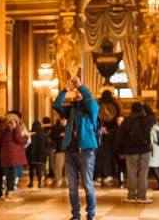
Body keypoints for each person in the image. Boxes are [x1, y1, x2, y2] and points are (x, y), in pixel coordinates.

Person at [52, 76, 99, 220]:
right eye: (76, 92)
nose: (77, 93)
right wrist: (66, 89)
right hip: (70, 152)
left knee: (88, 185)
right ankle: (76, 215)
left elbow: (90, 101)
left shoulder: (91, 110)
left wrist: (80, 86)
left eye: (80, 92)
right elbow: (56, 105)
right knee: (72, 187)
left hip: (85, 152)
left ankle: (90, 214)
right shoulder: (71, 110)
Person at [116, 102, 156, 204]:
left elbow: (120, 137)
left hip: (130, 151)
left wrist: (120, 151)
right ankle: (142, 197)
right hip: (144, 150)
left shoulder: (127, 122)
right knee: (143, 173)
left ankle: (131, 196)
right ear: (141, 110)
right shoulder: (146, 120)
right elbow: (152, 116)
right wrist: (146, 106)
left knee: (131, 173)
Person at [27, 120, 49, 188]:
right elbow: (47, 144)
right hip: (41, 155)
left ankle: (31, 182)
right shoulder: (43, 134)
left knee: (31, 169)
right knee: (39, 170)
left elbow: (27, 144)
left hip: (31, 155)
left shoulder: (30, 134)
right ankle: (39, 183)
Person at [49, 116, 68, 187]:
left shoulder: (69, 128)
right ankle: (58, 180)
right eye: (62, 120)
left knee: (68, 167)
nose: (63, 121)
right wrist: (59, 135)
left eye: (65, 119)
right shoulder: (56, 128)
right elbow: (52, 137)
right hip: (59, 149)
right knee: (58, 166)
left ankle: (67, 180)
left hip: (68, 150)